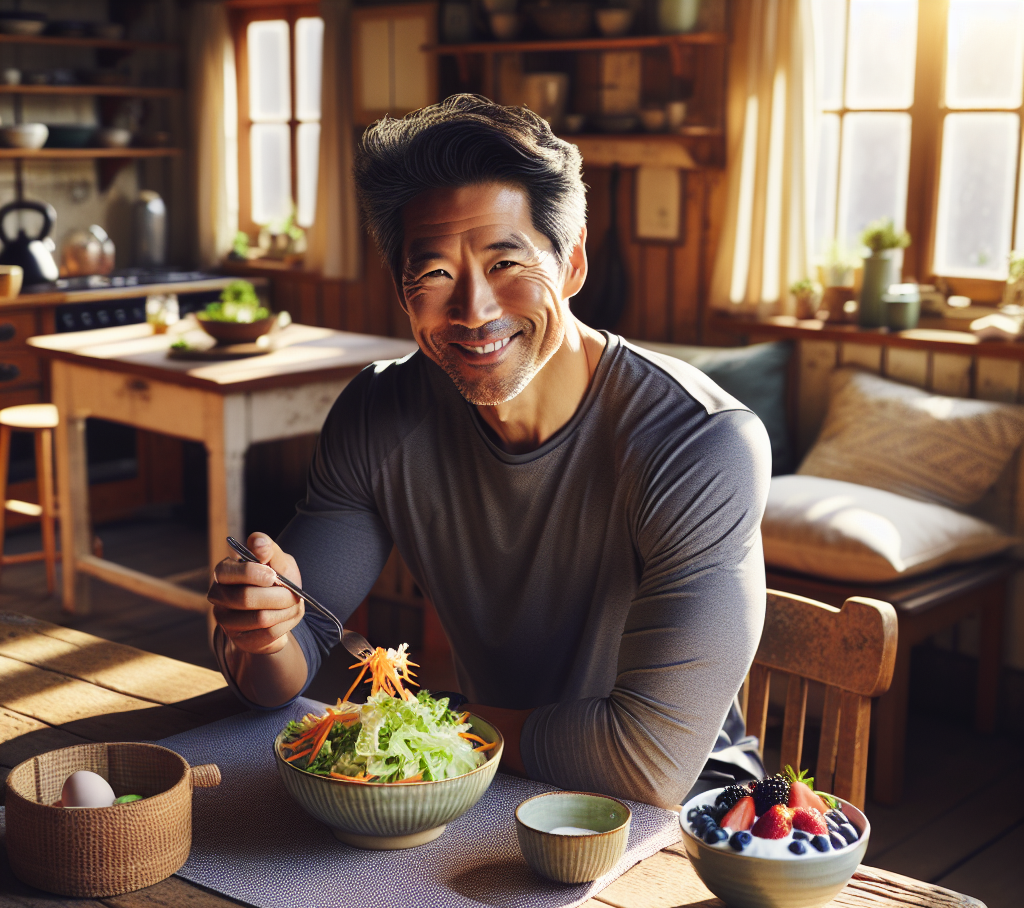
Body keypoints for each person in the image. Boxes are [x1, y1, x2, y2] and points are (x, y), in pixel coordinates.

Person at [207, 95, 770, 809]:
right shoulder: (380, 414)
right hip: (487, 784)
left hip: (685, 816)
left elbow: (648, 761)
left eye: (506, 261)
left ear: (572, 262)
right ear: (402, 290)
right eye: (435, 274)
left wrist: (426, 726)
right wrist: (262, 637)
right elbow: (280, 676)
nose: (474, 310)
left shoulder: (698, 442)